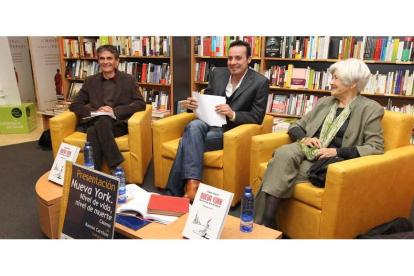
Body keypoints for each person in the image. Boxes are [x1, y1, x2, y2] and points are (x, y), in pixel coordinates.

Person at [254, 58, 385, 229]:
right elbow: (296, 125)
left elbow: (376, 147)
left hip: (328, 163)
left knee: (276, 169)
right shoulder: (325, 102)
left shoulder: (371, 109)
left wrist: (337, 152)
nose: (331, 82)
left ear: (352, 83)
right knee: (285, 153)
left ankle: (263, 224)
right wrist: (304, 138)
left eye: (336, 78)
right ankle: (268, 223)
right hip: (304, 150)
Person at [164, 40, 269, 200]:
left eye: (238, 58)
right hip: (208, 122)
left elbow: (257, 116)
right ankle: (193, 186)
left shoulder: (260, 82)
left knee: (186, 141)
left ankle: (172, 195)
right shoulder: (218, 73)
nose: (233, 63)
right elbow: (209, 98)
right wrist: (195, 104)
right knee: (193, 126)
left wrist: (233, 113)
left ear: (249, 59)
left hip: (230, 131)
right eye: (230, 58)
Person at [69, 44, 145, 173]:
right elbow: (75, 105)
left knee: (93, 131)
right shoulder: (90, 81)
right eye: (102, 58)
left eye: (109, 58)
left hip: (118, 123)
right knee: (102, 120)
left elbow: (140, 103)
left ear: (117, 61)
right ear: (98, 61)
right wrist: (96, 112)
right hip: (98, 120)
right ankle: (114, 167)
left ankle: (94, 173)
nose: (105, 62)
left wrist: (114, 111)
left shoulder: (128, 80)